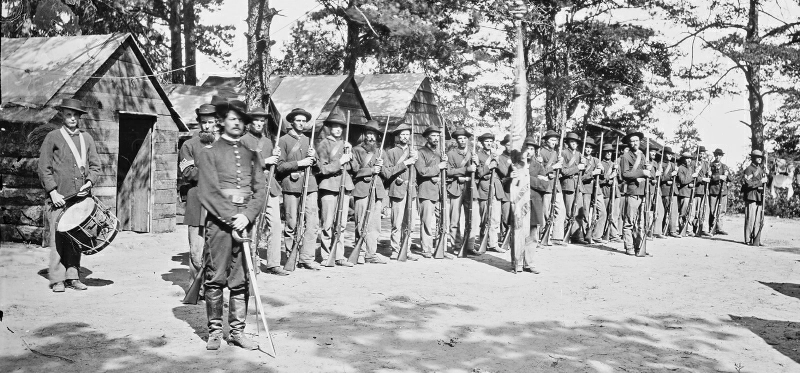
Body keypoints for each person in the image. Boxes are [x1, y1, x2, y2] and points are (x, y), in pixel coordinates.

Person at [197, 99, 266, 350]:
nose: (238, 123)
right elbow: (207, 191)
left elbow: (260, 190)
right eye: (232, 118)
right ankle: (215, 331)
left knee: (241, 278)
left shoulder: (252, 154)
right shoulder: (209, 152)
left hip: (245, 221)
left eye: (241, 119)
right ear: (221, 121)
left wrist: (247, 216)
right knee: (215, 276)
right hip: (220, 222)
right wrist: (231, 218)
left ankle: (237, 331)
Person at [38, 98, 101, 293]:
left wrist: (89, 182)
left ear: (80, 117)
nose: (72, 118)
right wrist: (53, 191)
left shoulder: (87, 139)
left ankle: (72, 276)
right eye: (68, 114)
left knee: (75, 237)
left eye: (75, 115)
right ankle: (57, 279)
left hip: (79, 199)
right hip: (58, 198)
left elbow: (96, 166)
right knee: (57, 238)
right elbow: (43, 168)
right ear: (62, 116)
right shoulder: (53, 137)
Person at [240, 107, 288, 276]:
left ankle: (274, 263)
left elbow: (278, 165)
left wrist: (276, 156)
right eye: (256, 120)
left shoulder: (269, 142)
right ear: (249, 122)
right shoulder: (243, 141)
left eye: (262, 120)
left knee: (275, 224)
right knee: (254, 225)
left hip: (270, 186)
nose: (259, 123)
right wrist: (266, 160)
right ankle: (252, 261)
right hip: (253, 187)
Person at [179, 104, 218, 287]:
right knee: (196, 249)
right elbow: (187, 172)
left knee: (216, 248)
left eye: (210, 122)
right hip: (196, 200)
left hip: (219, 203)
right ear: (198, 123)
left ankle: (212, 287)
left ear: (216, 123)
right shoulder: (188, 145)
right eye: (203, 123)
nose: (207, 126)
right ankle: (196, 287)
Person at [277, 108, 321, 270]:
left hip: (310, 185)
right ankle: (291, 255)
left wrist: (313, 157)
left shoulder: (309, 140)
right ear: (292, 122)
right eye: (298, 120)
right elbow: (280, 166)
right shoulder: (283, 140)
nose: (301, 123)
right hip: (291, 185)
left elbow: (316, 164)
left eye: (304, 121)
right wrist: (299, 164)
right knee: (291, 222)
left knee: (312, 223)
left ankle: (307, 257)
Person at [315, 112, 355, 267]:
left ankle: (339, 256)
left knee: (342, 224)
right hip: (328, 187)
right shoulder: (323, 145)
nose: (338, 129)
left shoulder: (345, 145)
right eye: (335, 126)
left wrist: (349, 154)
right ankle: (326, 256)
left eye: (340, 127)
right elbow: (322, 169)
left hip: (344, 185)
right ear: (330, 128)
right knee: (327, 224)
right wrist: (341, 161)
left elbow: (353, 168)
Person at [351, 120, 389, 264]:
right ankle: (360, 253)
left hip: (377, 191)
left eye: (374, 134)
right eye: (369, 134)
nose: (371, 137)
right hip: (361, 189)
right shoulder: (356, 150)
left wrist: (381, 167)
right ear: (364, 135)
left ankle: (371, 253)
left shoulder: (381, 152)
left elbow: (386, 173)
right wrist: (371, 170)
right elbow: (354, 170)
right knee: (361, 221)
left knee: (374, 224)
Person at [382, 123, 420, 260]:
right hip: (397, 189)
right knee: (396, 224)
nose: (404, 137)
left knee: (409, 223)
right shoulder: (391, 152)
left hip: (412, 190)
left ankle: (407, 249)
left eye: (407, 134)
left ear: (410, 136)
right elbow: (387, 172)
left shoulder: (415, 152)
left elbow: (420, 172)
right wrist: (406, 163)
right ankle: (395, 250)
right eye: (402, 134)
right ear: (398, 137)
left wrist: (416, 159)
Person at [415, 126, 448, 258]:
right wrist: (438, 167)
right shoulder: (421, 152)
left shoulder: (441, 153)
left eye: (437, 136)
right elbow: (422, 171)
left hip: (440, 192)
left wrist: (443, 165)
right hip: (426, 191)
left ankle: (441, 247)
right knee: (427, 222)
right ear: (427, 137)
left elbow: (446, 172)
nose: (435, 139)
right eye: (433, 136)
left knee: (442, 221)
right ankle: (426, 249)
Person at [446, 128, 478, 252]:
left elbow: (479, 172)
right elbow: (449, 171)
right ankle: (456, 245)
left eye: (464, 138)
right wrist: (465, 170)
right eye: (459, 138)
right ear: (456, 140)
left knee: (471, 219)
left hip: (470, 189)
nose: (462, 140)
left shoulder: (473, 154)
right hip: (456, 188)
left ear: (468, 139)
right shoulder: (451, 154)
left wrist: (477, 164)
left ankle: (469, 245)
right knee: (454, 219)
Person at [619, 130, 651, 256]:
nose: (634, 143)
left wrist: (648, 170)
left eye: (636, 140)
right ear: (628, 143)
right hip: (632, 191)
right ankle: (629, 247)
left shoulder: (643, 156)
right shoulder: (625, 157)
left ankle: (639, 246)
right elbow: (625, 174)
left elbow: (649, 173)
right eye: (632, 141)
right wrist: (642, 173)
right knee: (629, 221)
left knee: (640, 222)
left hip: (643, 191)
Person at [475, 133, 506, 252]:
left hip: (496, 189)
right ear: (482, 143)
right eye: (486, 141)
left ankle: (493, 244)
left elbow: (504, 172)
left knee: (495, 219)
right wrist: (489, 165)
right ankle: (483, 242)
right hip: (484, 188)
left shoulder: (496, 155)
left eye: (490, 141)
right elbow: (479, 173)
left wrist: (497, 162)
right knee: (484, 218)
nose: (488, 143)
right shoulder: (478, 155)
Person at [539, 130, 565, 245]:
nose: (554, 142)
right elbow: (539, 171)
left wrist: (560, 166)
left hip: (556, 185)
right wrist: (553, 167)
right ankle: (543, 236)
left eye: (555, 140)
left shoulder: (557, 154)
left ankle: (557, 237)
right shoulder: (541, 152)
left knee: (560, 210)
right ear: (546, 140)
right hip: (546, 186)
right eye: (551, 140)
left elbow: (562, 171)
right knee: (545, 211)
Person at [579, 137, 605, 243]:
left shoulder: (596, 160)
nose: (588, 150)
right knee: (585, 214)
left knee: (602, 212)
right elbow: (581, 178)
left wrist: (601, 170)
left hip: (596, 189)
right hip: (585, 189)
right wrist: (592, 173)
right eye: (587, 147)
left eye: (590, 148)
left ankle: (596, 235)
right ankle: (585, 235)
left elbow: (602, 176)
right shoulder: (581, 160)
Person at [561, 132, 586, 243]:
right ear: (568, 143)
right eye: (572, 141)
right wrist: (578, 167)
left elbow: (583, 171)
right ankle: (565, 234)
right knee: (568, 212)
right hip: (568, 185)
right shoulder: (564, 153)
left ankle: (576, 235)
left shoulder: (579, 154)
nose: (574, 143)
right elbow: (564, 171)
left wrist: (584, 166)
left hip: (578, 185)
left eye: (575, 142)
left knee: (578, 213)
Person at [742, 150, 768, 246]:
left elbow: (762, 182)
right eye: (757, 157)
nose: (760, 158)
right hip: (751, 196)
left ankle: (757, 238)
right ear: (752, 158)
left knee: (758, 219)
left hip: (759, 196)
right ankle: (748, 239)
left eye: (760, 157)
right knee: (750, 218)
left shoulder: (761, 169)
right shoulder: (749, 169)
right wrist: (761, 181)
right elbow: (748, 184)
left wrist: (765, 179)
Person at [600, 143, 621, 242]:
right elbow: (599, 181)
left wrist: (617, 169)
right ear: (603, 152)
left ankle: (614, 235)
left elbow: (621, 179)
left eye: (610, 152)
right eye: (606, 152)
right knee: (604, 215)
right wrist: (609, 178)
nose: (609, 153)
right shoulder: (600, 164)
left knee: (614, 215)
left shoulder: (614, 164)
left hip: (615, 192)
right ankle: (603, 234)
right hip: (605, 192)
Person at [496, 135, 514, 249]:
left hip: (517, 192)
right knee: (506, 216)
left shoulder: (519, 157)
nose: (510, 147)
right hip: (506, 190)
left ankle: (513, 239)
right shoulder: (500, 158)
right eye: (508, 144)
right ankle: (504, 238)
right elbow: (503, 174)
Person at [708, 148, 730, 235]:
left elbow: (731, 179)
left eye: (720, 155)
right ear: (714, 155)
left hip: (723, 191)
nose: (718, 156)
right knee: (712, 210)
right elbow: (710, 177)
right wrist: (719, 177)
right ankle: (711, 227)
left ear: (722, 156)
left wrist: (727, 175)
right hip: (713, 190)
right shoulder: (710, 165)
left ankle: (719, 228)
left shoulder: (725, 166)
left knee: (722, 210)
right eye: (716, 154)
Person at [659, 147, 680, 238]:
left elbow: (679, 179)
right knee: (664, 212)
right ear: (664, 154)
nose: (670, 155)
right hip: (665, 190)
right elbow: (661, 178)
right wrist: (671, 175)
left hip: (673, 190)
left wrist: (676, 172)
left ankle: (672, 230)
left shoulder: (673, 165)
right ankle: (663, 230)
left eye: (671, 154)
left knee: (674, 211)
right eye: (668, 154)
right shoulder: (661, 164)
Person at [645, 144, 664, 239]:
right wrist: (655, 175)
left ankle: (657, 231)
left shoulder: (656, 163)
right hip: (647, 189)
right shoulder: (645, 162)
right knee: (647, 210)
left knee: (660, 210)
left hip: (656, 189)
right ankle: (646, 232)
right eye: (651, 151)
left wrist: (659, 173)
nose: (653, 153)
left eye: (654, 152)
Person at [676, 151, 696, 237]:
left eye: (690, 158)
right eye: (687, 158)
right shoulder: (681, 168)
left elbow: (696, 179)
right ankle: (681, 229)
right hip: (684, 193)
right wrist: (692, 177)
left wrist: (696, 176)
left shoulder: (691, 168)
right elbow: (683, 181)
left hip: (691, 193)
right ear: (683, 159)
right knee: (683, 213)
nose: (689, 160)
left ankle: (689, 230)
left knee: (691, 213)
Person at [693, 146, 712, 237]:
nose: (702, 155)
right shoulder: (693, 163)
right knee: (694, 211)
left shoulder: (706, 164)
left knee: (704, 210)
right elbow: (693, 177)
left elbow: (709, 176)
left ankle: (703, 229)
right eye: (700, 153)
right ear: (697, 153)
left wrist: (709, 175)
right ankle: (691, 229)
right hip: (696, 190)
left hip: (704, 190)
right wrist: (703, 179)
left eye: (703, 153)